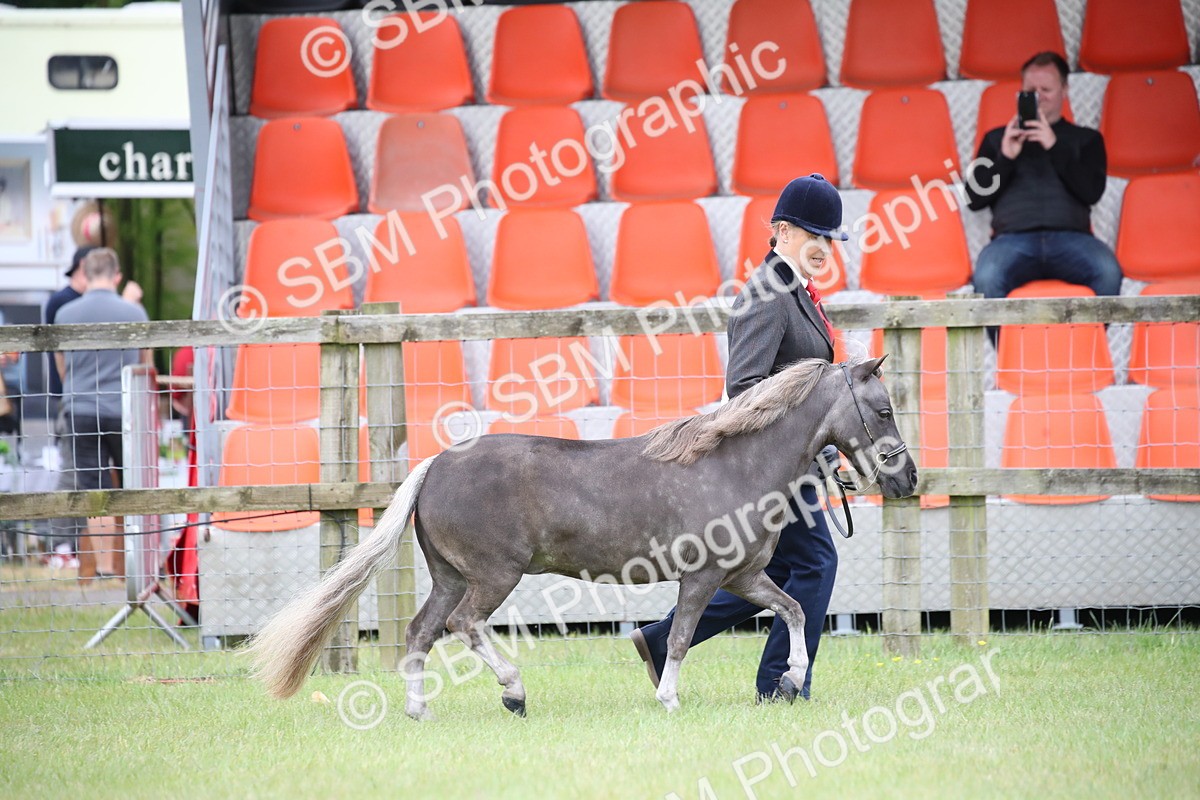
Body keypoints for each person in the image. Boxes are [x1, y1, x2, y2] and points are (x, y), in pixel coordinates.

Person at [630, 173, 844, 702]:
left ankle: (660, 640)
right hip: (770, 467)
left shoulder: (796, 290)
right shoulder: (767, 293)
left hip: (793, 464)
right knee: (816, 563)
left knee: (776, 566)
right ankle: (777, 685)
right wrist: (806, 435)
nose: (824, 246)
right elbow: (744, 387)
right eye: (813, 234)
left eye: (830, 237)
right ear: (782, 231)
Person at [965, 51, 1123, 304]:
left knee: (1108, 272)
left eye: (1046, 90)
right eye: (1031, 91)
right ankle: (1004, 335)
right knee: (986, 277)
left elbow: (1092, 192)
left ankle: (1091, 333)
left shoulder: (1087, 139)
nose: (1038, 97)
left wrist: (1054, 146)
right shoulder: (996, 139)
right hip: (1011, 240)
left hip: (1072, 238)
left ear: (1064, 90)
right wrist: (1005, 158)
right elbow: (974, 199)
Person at [54, 248, 150, 580]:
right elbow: (145, 364)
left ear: (85, 274)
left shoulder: (65, 314)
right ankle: (134, 568)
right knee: (131, 488)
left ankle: (105, 568)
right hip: (124, 411)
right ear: (117, 276)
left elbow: (62, 368)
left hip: (81, 410)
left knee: (95, 491)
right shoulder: (134, 313)